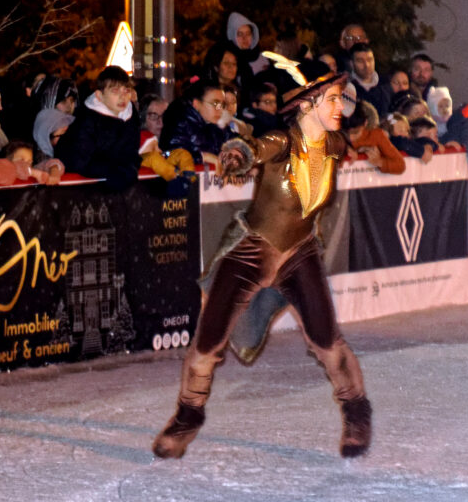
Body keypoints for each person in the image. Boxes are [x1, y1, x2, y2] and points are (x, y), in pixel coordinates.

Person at [152, 58, 372, 460]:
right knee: (208, 341)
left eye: (341, 99)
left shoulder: (336, 144)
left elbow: (360, 127)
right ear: (307, 105)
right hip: (253, 251)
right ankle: (188, 415)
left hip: (300, 252)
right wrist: (237, 153)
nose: (341, 108)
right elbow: (254, 147)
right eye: (334, 100)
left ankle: (357, 409)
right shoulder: (281, 143)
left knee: (326, 340)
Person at [55, 66, 142, 191]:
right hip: (80, 190)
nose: (122, 97)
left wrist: (130, 168)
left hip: (116, 185)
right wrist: (113, 170)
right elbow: (79, 161)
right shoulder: (87, 120)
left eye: (126, 91)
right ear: (99, 95)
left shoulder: (131, 115)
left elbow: (131, 152)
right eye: (115, 91)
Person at [343, 101, 406, 174]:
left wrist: (379, 161)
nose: (351, 138)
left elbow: (400, 165)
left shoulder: (375, 135)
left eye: (356, 133)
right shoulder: (333, 133)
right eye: (346, 133)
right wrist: (345, 148)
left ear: (365, 123)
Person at [349, 43, 390, 117]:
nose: (366, 65)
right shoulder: (345, 88)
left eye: (369, 60)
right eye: (360, 61)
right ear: (351, 64)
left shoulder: (385, 85)